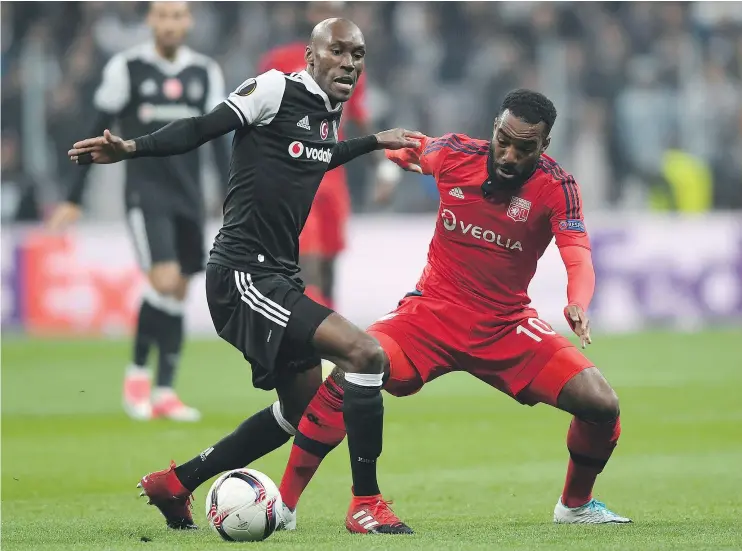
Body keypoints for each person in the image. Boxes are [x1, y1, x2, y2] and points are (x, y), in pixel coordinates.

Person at [68, 18, 419, 535]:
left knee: (301, 411)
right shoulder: (274, 88)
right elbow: (202, 126)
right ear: (311, 55)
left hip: (276, 275)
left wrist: (371, 142)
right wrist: (132, 149)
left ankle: (176, 482)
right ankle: (366, 503)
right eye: (338, 51)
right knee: (365, 354)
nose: (349, 62)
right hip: (242, 275)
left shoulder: (328, 113)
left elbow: (317, 157)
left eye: (358, 54)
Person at [275, 89, 632, 529]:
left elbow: (577, 253)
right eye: (504, 139)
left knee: (601, 403)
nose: (509, 154)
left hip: (506, 325)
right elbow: (412, 150)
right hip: (429, 316)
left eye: (525, 148)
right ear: (495, 128)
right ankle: (283, 506)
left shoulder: (558, 186)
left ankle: (574, 506)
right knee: (355, 370)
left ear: (544, 147)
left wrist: (577, 302)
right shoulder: (454, 154)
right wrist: (387, 160)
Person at [48, 2, 229, 422]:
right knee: (163, 279)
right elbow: (96, 129)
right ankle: (136, 378)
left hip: (188, 195)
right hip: (145, 193)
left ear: (188, 21)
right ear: (150, 21)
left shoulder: (205, 71)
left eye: (177, 15)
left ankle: (165, 390)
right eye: (162, 15)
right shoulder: (126, 68)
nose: (169, 23)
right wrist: (73, 197)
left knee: (180, 289)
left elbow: (220, 140)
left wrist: (229, 195)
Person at [258, 1, 401, 309]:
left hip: (333, 179)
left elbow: (360, 117)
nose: (324, 16)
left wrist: (384, 168)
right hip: (293, 181)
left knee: (328, 268)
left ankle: (324, 346)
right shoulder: (279, 60)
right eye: (319, 9)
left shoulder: (350, 67)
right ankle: (308, 347)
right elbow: (258, 124)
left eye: (331, 10)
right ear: (307, 15)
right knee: (306, 268)